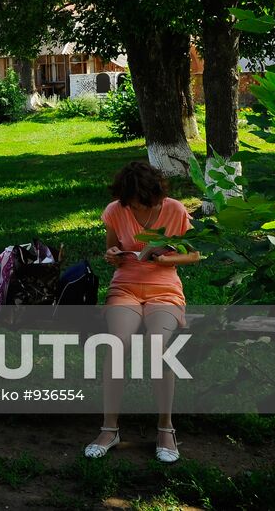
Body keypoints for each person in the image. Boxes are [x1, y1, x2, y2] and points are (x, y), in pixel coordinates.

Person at [84, 160, 201, 464]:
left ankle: (166, 429)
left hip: (164, 289)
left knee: (157, 346)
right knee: (116, 344)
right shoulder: (115, 210)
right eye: (133, 201)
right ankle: (109, 430)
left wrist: (166, 260)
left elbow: (194, 255)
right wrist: (112, 255)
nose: (138, 205)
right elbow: (112, 252)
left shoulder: (175, 209)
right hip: (125, 287)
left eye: (144, 200)